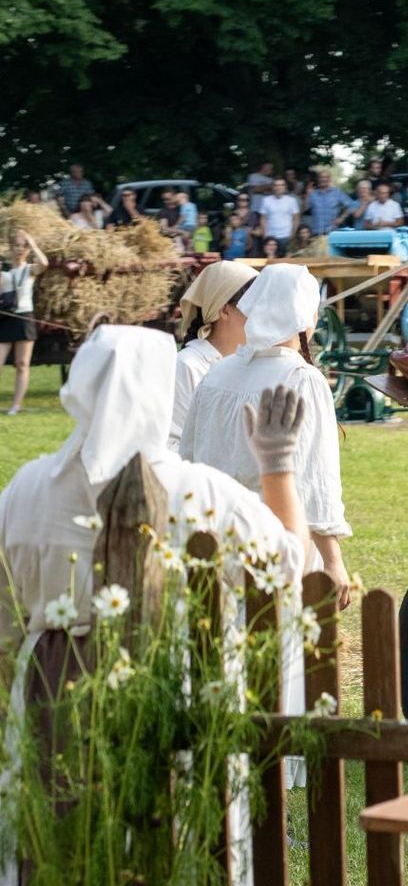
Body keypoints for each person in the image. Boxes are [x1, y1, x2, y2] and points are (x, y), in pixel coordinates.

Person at [0, 324, 314, 886]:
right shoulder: (200, 491)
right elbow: (291, 567)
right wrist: (277, 466)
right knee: (182, 848)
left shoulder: (27, 488)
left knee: (58, 852)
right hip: (176, 689)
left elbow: (5, 622)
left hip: (52, 694)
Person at [180, 263, 352, 610]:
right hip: (280, 539)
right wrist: (333, 560)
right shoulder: (302, 378)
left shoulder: (218, 373)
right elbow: (316, 478)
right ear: (304, 315)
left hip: (216, 537)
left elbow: (189, 457)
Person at [169, 260, 258, 451]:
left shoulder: (251, 364)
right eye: (253, 307)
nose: (260, 316)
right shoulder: (188, 366)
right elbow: (171, 445)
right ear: (225, 310)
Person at [0, 230, 48, 415]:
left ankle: (16, 405)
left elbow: (44, 264)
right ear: (11, 248)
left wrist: (33, 243)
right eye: (17, 245)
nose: (20, 249)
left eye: (24, 246)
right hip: (6, 318)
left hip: (24, 317)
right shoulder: (4, 269)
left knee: (21, 363)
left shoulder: (29, 269)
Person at [304, 170, 352, 238]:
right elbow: (305, 209)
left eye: (326, 177)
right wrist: (308, 194)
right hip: (316, 232)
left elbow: (351, 205)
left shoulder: (337, 192)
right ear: (318, 179)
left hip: (332, 232)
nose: (323, 179)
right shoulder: (313, 194)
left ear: (329, 179)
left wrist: (341, 218)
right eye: (321, 177)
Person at [261, 178, 300, 251]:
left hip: (286, 236)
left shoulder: (292, 200)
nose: (279, 187)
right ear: (273, 187)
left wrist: (292, 235)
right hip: (270, 237)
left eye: (282, 185)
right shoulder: (266, 200)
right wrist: (265, 235)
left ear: (285, 187)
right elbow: (263, 219)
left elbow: (296, 219)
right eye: (276, 185)